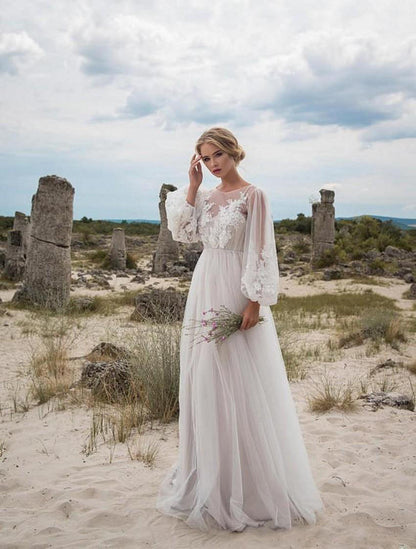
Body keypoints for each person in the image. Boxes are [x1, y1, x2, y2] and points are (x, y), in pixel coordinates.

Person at [156, 127, 324, 533]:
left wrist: (254, 300)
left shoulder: (255, 196)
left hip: (236, 289)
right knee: (206, 378)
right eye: (205, 158)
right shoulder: (206, 195)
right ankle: (211, 474)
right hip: (205, 284)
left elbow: (262, 249)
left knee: (241, 379)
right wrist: (194, 186)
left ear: (233, 152)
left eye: (218, 156)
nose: (213, 164)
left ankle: (250, 484)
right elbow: (183, 233)